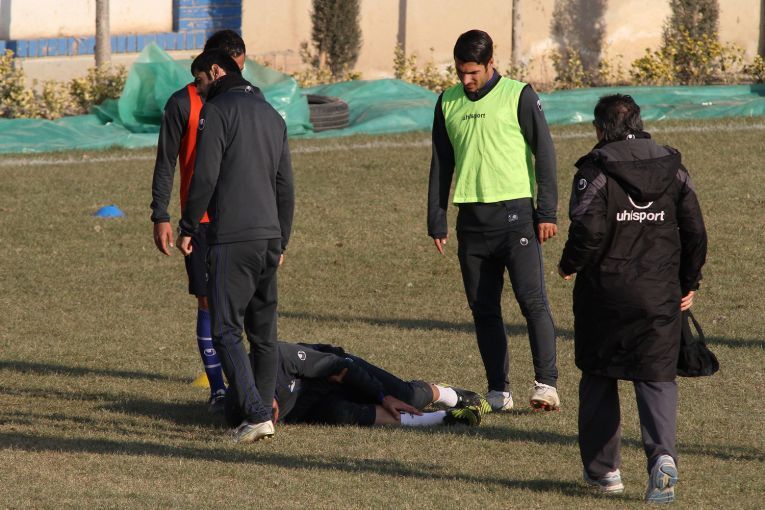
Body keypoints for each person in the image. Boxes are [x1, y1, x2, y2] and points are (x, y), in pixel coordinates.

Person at [557, 94, 707, 503]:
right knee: (657, 377)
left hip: (604, 293)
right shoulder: (674, 168)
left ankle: (604, 472)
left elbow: (588, 229)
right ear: (638, 124)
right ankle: (663, 459)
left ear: (600, 129)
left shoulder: (595, 170)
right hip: (659, 294)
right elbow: (695, 230)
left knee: (599, 375)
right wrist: (688, 281)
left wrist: (569, 263)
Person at [427, 29, 560, 412]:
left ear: (490, 64)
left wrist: (547, 212)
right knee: (483, 309)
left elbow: (545, 153)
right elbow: (441, 162)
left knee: (532, 302)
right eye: (460, 72)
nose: (466, 79)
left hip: (516, 218)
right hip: (471, 222)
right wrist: (437, 219)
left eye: (473, 72)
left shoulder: (519, 95)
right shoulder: (447, 102)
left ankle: (546, 385)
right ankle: (498, 390)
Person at [177, 49, 295, 443]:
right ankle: (261, 412)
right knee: (263, 334)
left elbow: (205, 175)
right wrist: (282, 238)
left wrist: (188, 225)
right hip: (269, 237)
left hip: (233, 236)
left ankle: (258, 414)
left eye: (200, 81)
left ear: (215, 71)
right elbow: (285, 185)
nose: (198, 90)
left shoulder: (218, 111)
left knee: (225, 329)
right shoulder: (272, 114)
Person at [149, 30, 248, 413]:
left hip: (241, 218)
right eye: (230, 69)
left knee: (241, 302)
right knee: (207, 300)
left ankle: (249, 385)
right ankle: (218, 390)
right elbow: (166, 162)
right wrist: (161, 214)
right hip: (201, 222)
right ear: (213, 66)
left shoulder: (247, 99)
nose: (236, 77)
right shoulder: (182, 103)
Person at [224, 341, 491, 428]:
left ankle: (448, 394)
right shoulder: (238, 410)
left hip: (338, 370)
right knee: (345, 414)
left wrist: (383, 395)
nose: (271, 420)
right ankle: (447, 419)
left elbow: (340, 367)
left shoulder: (279, 358)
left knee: (405, 395)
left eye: (269, 414)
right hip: (312, 402)